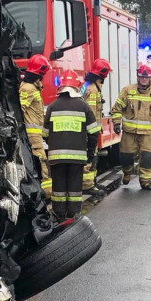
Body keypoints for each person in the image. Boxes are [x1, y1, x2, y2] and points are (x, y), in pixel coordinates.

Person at [44, 70, 99, 219]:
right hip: (77, 156)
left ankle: (59, 213)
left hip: (56, 157)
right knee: (74, 186)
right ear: (77, 86)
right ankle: (74, 214)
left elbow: (45, 133)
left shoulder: (52, 106)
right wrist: (90, 152)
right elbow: (94, 132)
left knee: (58, 186)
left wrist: (54, 144)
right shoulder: (84, 106)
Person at [110, 64, 151, 189]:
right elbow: (117, 109)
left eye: (146, 77)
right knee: (126, 157)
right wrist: (117, 123)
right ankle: (127, 172)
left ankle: (145, 182)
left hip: (147, 134)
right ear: (138, 77)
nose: (144, 79)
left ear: (150, 78)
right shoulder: (128, 91)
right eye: (141, 77)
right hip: (129, 132)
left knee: (147, 158)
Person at [19, 54, 53, 194]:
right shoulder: (28, 89)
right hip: (32, 135)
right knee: (41, 161)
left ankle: (45, 192)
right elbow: (21, 109)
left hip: (36, 134)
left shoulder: (33, 87)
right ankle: (46, 194)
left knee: (42, 161)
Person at [82, 59, 112, 196]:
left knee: (93, 156)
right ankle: (88, 185)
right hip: (90, 131)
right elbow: (92, 113)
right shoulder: (93, 90)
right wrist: (93, 132)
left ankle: (92, 182)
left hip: (89, 130)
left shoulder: (90, 85)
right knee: (91, 156)